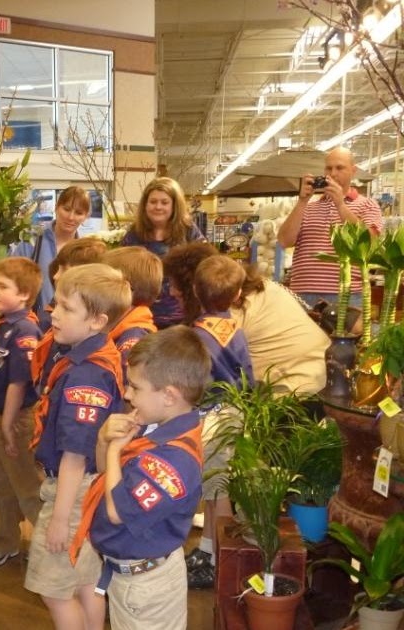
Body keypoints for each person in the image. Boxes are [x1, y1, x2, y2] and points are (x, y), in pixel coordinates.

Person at [70, 327, 210, 630]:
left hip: (147, 588)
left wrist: (114, 450)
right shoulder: (154, 427)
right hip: (130, 577)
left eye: (135, 387)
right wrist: (104, 440)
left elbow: (117, 511)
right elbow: (106, 479)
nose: (127, 395)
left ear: (169, 395)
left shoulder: (174, 461)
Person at [25, 263, 130, 630]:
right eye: (56, 303)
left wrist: (59, 518)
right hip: (88, 489)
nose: (54, 314)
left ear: (97, 322)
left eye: (67, 308)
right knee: (86, 583)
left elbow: (75, 454)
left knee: (53, 590)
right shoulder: (92, 355)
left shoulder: (86, 374)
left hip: (73, 493)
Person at [163, 242, 329, 396]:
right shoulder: (258, 288)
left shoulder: (227, 315)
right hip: (320, 374)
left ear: (195, 289)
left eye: (175, 285)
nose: (171, 292)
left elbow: (201, 374)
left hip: (296, 389)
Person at [185, 255, 254, 590]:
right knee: (214, 490)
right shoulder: (236, 331)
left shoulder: (194, 335)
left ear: (195, 291)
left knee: (218, 492)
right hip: (233, 413)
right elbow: (248, 377)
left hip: (209, 417)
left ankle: (221, 562)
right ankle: (209, 548)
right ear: (238, 294)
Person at [0, 257, 44, 569]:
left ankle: (49, 548)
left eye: (3, 287)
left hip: (15, 419)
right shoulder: (0, 324)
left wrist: (6, 426)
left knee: (28, 486)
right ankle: (5, 541)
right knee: (1, 486)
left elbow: (18, 383)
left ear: (25, 294)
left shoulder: (25, 330)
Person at [277, 147, 383, 308]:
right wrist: (302, 201)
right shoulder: (307, 207)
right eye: (329, 168)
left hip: (347, 294)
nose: (333, 174)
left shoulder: (367, 205)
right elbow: (284, 241)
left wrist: (340, 205)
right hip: (302, 293)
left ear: (353, 171)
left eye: (339, 168)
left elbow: (370, 243)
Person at [120, 177, 206, 328]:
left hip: (183, 315)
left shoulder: (189, 231)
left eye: (164, 202)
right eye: (153, 202)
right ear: (145, 205)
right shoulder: (134, 234)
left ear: (174, 205)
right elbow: (121, 270)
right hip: (142, 315)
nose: (158, 207)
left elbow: (206, 266)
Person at [12, 186, 92, 328]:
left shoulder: (86, 251)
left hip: (69, 328)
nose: (71, 217)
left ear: (86, 216)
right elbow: (12, 279)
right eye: (66, 209)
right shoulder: (32, 238)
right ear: (56, 207)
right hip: (32, 325)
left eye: (78, 213)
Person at [102, 246, 161, 376]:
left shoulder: (133, 339)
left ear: (125, 289)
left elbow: (127, 383)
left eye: (104, 283)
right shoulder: (120, 325)